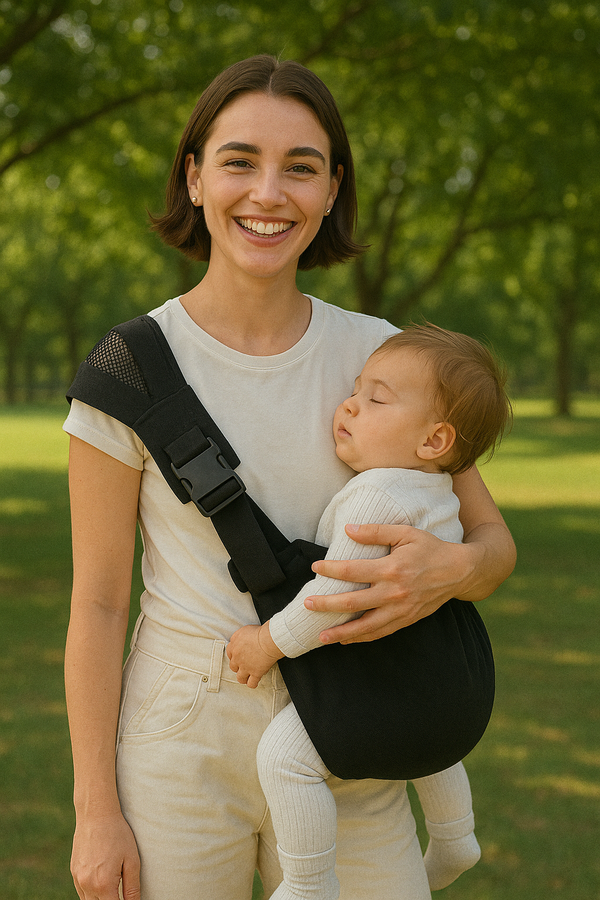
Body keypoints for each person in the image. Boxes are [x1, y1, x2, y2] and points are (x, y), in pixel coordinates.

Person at [63, 55, 516, 900]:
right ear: (194, 178)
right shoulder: (126, 369)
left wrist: (448, 570)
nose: (268, 193)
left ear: (332, 189)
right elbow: (96, 603)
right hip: (181, 741)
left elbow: (492, 545)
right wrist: (96, 812)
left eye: (301, 168)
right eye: (239, 161)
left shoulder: (382, 356)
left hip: (355, 721)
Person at [227, 323, 512, 900]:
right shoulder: (436, 493)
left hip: (376, 675)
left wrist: (266, 644)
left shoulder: (378, 497)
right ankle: (456, 836)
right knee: (426, 735)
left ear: (434, 441)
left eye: (376, 398)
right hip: (435, 677)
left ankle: (309, 884)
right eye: (356, 389)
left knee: (285, 757)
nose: (350, 404)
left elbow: (331, 601)